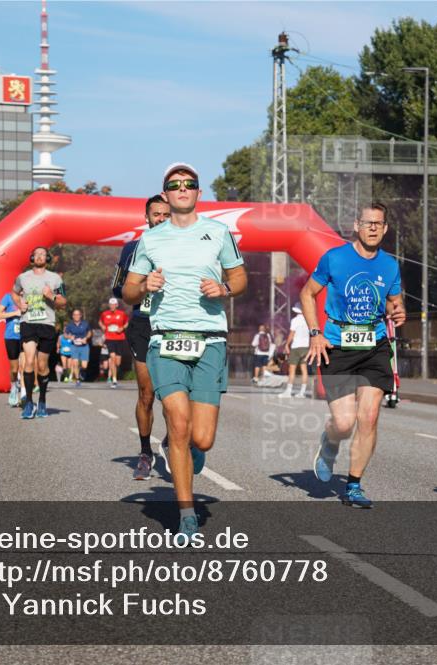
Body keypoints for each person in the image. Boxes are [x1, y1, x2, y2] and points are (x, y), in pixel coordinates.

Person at [122, 162, 247, 542]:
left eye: (188, 184)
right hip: (165, 339)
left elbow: (239, 277)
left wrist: (224, 290)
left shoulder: (218, 232)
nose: (182, 189)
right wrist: (145, 286)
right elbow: (128, 291)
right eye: (174, 185)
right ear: (165, 193)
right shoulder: (151, 239)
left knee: (202, 438)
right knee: (177, 423)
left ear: (197, 192)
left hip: (209, 339)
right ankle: (186, 515)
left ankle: (190, 456)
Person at [301, 202, 405, 509]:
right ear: (356, 226)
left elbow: (393, 302)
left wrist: (397, 312)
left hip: (374, 344)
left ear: (385, 229)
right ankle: (330, 441)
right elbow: (307, 293)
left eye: (379, 223)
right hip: (338, 345)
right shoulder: (335, 258)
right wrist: (314, 333)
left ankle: (354, 484)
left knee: (369, 417)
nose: (373, 227)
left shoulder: (389, 265)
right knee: (344, 423)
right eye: (367, 222)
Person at [112, 194, 171, 480]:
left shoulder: (184, 247)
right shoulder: (132, 248)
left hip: (175, 325)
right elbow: (118, 290)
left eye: (165, 214)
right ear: (146, 217)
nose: (160, 219)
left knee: (174, 394)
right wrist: (143, 286)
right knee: (147, 394)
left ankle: (174, 443)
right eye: (156, 214)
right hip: (143, 324)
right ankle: (146, 452)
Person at [11, 246, 66, 419]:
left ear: (47, 258)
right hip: (28, 322)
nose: (41, 256)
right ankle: (28, 402)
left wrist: (51, 296)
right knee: (28, 360)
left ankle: (41, 400)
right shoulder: (23, 277)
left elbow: (63, 302)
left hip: (47, 323)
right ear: (32, 257)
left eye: (44, 254)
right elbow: (14, 293)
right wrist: (20, 305)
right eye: (37, 254)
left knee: (42, 366)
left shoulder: (55, 278)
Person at [0, 289, 24, 406]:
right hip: (11, 336)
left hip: (26, 336)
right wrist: (15, 313)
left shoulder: (30, 298)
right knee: (14, 369)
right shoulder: (8, 298)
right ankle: (13, 387)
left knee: (25, 366)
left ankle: (24, 394)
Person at [279, 305, 311, 398]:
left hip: (296, 346)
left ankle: (288, 391)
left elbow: (292, 334)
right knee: (304, 370)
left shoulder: (295, 320)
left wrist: (287, 344)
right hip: (306, 346)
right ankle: (302, 392)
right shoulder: (308, 320)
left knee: (292, 370)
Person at [100, 298, 129, 387]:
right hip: (109, 338)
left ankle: (114, 374)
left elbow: (126, 322)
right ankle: (114, 379)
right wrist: (103, 327)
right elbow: (100, 322)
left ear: (117, 305)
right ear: (109, 305)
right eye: (110, 304)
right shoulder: (105, 314)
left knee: (117, 362)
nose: (112, 306)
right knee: (112, 358)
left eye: (114, 304)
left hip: (120, 338)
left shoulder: (122, 314)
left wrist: (123, 328)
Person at [65, 308, 92, 386]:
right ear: (73, 316)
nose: (76, 316)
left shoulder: (85, 323)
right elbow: (66, 334)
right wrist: (70, 337)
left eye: (78, 314)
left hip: (84, 346)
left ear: (80, 315)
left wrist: (86, 338)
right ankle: (77, 379)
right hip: (74, 346)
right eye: (74, 315)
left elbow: (90, 332)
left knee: (84, 365)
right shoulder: (70, 325)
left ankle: (81, 371)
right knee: (75, 362)